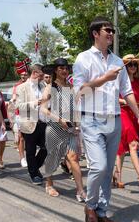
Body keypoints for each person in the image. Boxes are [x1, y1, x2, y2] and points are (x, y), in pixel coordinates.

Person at [73, 16, 139, 222]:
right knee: (99, 166)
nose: (111, 34)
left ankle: (102, 212)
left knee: (107, 172)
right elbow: (79, 92)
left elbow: (128, 92)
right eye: (107, 30)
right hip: (92, 119)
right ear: (96, 33)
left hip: (114, 120)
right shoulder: (83, 59)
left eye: (113, 30)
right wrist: (104, 79)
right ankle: (90, 206)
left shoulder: (118, 62)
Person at [40, 58, 86, 201]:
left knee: (74, 158)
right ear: (55, 70)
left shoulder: (71, 87)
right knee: (53, 157)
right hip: (54, 127)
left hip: (71, 128)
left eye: (66, 68)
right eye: (61, 68)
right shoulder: (50, 87)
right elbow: (42, 109)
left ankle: (80, 191)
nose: (64, 71)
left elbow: (74, 108)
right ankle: (49, 184)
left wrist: (77, 124)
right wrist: (59, 119)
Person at [114, 54, 139, 194]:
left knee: (123, 148)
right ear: (125, 67)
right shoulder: (120, 80)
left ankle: (117, 175)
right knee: (133, 145)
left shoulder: (137, 81)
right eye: (129, 64)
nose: (132, 67)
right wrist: (125, 101)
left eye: (134, 64)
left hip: (134, 115)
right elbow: (112, 97)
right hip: (123, 113)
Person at [16, 63, 48, 185]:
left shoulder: (44, 85)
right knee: (30, 150)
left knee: (48, 147)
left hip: (43, 123)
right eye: (41, 73)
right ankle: (34, 174)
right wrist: (35, 102)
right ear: (35, 73)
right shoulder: (22, 87)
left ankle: (33, 166)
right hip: (29, 124)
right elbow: (19, 106)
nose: (43, 75)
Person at [8, 70, 29, 168]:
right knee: (21, 137)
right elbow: (13, 99)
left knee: (30, 138)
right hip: (19, 114)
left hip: (31, 114)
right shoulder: (16, 86)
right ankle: (22, 158)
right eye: (22, 74)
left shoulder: (32, 85)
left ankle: (30, 156)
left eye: (25, 74)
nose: (23, 76)